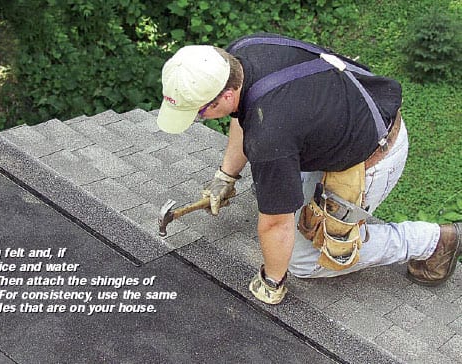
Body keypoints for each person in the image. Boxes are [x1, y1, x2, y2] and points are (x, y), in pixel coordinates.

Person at [155, 33, 461, 305]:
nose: (200, 118)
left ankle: (432, 241)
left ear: (224, 93)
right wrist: (226, 175)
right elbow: (243, 113)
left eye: (199, 112)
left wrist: (272, 280)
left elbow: (275, 224)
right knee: (270, 188)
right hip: (339, 120)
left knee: (304, 260)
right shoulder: (240, 56)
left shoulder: (269, 134)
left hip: (372, 154)